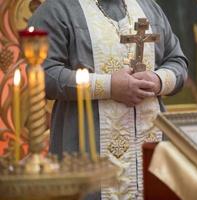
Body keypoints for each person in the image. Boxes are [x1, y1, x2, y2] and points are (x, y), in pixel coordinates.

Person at [28, 0, 188, 199]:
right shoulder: (57, 9)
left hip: (151, 148)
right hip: (86, 152)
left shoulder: (149, 7)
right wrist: (109, 86)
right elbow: (40, 74)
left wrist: (158, 80)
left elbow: (177, 61)